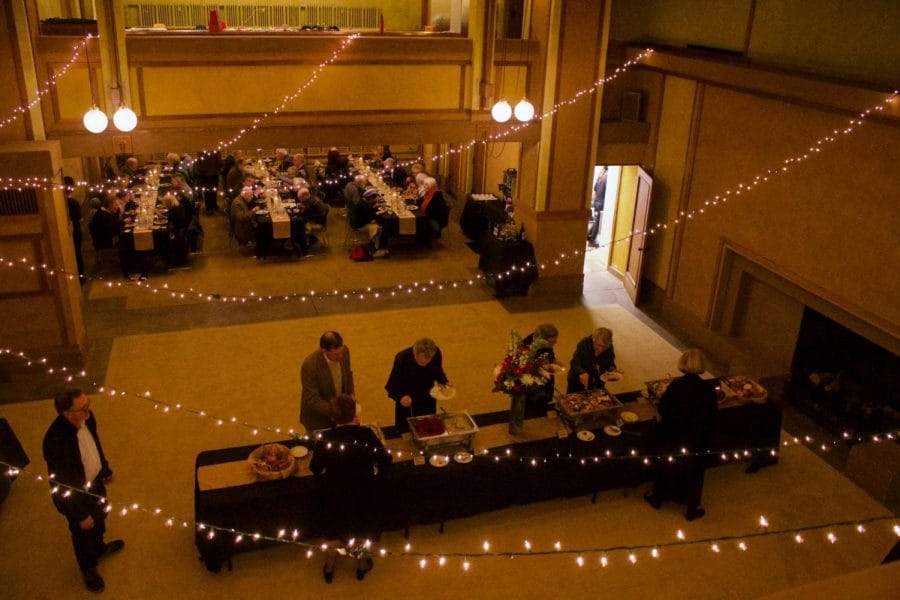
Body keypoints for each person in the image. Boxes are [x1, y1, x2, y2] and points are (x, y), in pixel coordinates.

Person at [42, 389, 124, 593]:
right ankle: (88, 567)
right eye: (83, 408)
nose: (89, 411)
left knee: (100, 515)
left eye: (88, 404)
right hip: (76, 494)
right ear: (67, 413)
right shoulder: (55, 442)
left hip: (94, 482)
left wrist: (103, 467)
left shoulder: (88, 418)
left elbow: (94, 444)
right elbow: (61, 485)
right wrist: (79, 514)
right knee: (83, 530)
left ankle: (99, 547)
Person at [310, 394, 391, 583]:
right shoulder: (366, 434)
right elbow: (385, 461)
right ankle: (362, 566)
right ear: (355, 414)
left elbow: (315, 468)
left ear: (332, 417)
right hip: (362, 493)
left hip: (335, 495)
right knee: (360, 532)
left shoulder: (325, 439)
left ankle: (330, 567)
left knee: (334, 532)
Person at [644, 349, 718, 521]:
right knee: (695, 473)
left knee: (666, 465)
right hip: (696, 440)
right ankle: (692, 508)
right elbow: (712, 415)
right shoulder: (708, 389)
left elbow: (663, 408)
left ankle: (657, 497)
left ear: (683, 365)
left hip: (672, 436)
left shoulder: (676, 386)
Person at [385, 338, 449, 432]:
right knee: (406, 431)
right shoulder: (402, 359)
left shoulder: (436, 353)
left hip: (428, 397)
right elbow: (392, 386)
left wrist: (444, 382)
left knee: (428, 428)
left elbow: (437, 370)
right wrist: (400, 397)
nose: (424, 365)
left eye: (427, 362)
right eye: (420, 362)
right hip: (408, 401)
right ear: (414, 353)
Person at [300, 331, 355, 432]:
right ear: (324, 350)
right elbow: (312, 400)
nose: (341, 356)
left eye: (341, 351)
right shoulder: (310, 365)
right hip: (318, 419)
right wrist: (338, 412)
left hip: (340, 417)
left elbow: (348, 374)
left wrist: (351, 396)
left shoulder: (345, 351)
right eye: (336, 354)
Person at [521, 324, 562, 418]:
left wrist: (553, 361)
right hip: (532, 385)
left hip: (545, 380)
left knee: (543, 406)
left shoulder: (546, 343)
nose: (555, 343)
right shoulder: (526, 346)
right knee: (531, 413)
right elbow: (524, 369)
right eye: (552, 341)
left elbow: (549, 355)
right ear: (541, 340)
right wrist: (541, 368)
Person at [566, 327, 616, 393]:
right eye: (598, 345)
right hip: (577, 381)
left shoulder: (609, 347)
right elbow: (574, 363)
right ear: (593, 340)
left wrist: (612, 369)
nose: (600, 349)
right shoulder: (584, 344)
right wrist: (582, 372)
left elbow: (610, 363)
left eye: (604, 347)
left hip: (597, 383)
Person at [64, 176, 85, 283]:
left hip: (65, 233)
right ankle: (80, 278)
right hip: (75, 231)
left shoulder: (61, 202)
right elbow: (80, 219)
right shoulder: (73, 203)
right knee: (77, 253)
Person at [587, 166, 607, 248]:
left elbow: (595, 190)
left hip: (596, 202)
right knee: (597, 222)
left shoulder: (600, 177)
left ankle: (589, 235)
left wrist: (593, 201)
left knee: (596, 220)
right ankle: (592, 239)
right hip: (601, 203)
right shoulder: (606, 178)